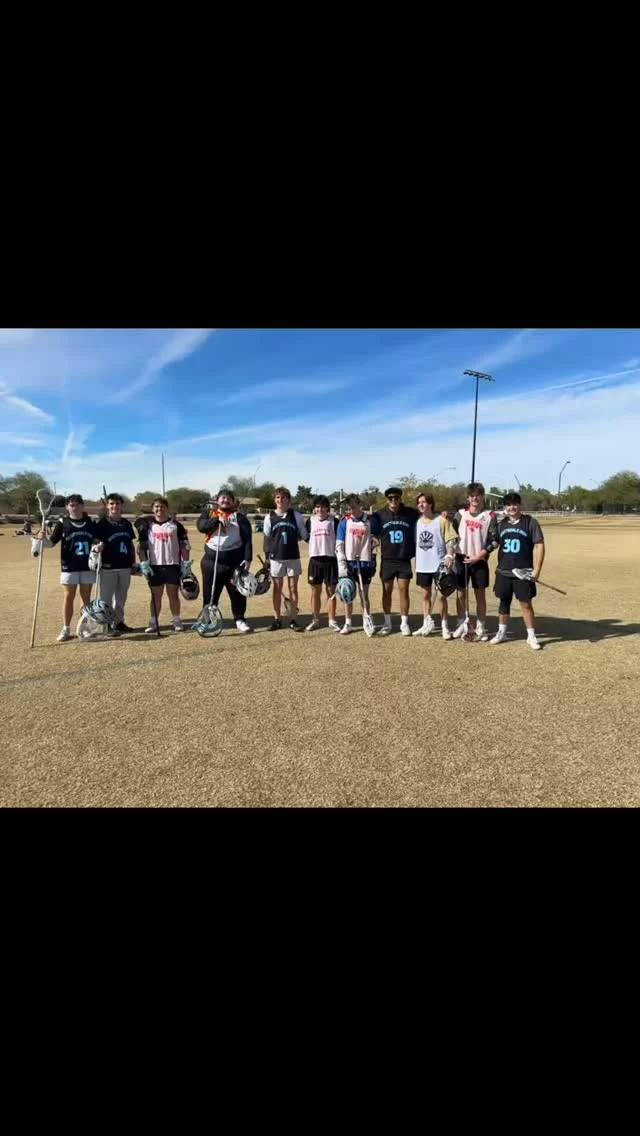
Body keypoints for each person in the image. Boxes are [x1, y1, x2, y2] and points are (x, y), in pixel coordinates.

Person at [485, 492, 545, 649]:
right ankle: (502, 632)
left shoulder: (530, 522)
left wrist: (536, 571)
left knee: (526, 604)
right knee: (503, 603)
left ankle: (531, 636)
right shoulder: (501, 524)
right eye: (508, 505)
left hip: (523, 573)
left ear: (520, 505)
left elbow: (539, 545)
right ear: (505, 507)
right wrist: (479, 555)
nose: (512, 507)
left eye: (515, 504)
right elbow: (493, 543)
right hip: (504, 572)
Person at [36, 494, 98, 642]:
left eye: (77, 505)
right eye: (71, 505)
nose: (74, 507)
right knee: (68, 597)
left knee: (86, 598)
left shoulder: (90, 522)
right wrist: (42, 538)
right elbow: (51, 544)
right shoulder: (63, 522)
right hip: (69, 566)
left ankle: (84, 628)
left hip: (87, 566)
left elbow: (96, 540)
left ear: (82, 506)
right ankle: (66, 628)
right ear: (67, 507)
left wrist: (99, 545)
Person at [196, 488, 253, 634]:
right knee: (210, 593)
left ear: (233, 501)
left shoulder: (240, 517)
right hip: (211, 563)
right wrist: (216, 521)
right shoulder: (208, 514)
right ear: (217, 500)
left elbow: (247, 539)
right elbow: (201, 527)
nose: (225, 500)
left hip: (234, 563)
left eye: (229, 498)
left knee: (237, 593)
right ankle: (208, 620)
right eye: (222, 498)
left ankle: (240, 619)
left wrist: (248, 559)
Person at [135, 498, 190, 633]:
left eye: (162, 507)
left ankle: (177, 620)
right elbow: (141, 548)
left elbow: (184, 545)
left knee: (173, 595)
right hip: (155, 567)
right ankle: (153, 621)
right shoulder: (147, 527)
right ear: (153, 509)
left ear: (167, 508)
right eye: (157, 507)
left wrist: (186, 563)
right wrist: (143, 563)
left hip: (173, 566)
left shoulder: (176, 525)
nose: (160, 509)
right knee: (155, 596)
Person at [372, 487, 420, 636]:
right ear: (387, 499)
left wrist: (442, 514)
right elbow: (368, 526)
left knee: (403, 590)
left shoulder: (410, 514)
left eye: (397, 498)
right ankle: (387, 623)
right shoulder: (379, 515)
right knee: (386, 591)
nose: (394, 500)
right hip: (387, 559)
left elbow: (427, 515)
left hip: (404, 558)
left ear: (400, 499)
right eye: (391, 498)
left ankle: (404, 622)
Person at [451, 483, 495, 641]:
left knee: (480, 595)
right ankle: (461, 623)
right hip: (461, 558)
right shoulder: (460, 514)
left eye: (478, 495)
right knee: (461, 593)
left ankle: (481, 626)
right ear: (468, 497)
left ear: (482, 496)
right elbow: (451, 535)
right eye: (472, 495)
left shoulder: (489, 515)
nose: (475, 498)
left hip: (479, 559)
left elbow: (494, 540)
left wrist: (481, 555)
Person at [263, 487, 308, 631]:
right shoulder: (269, 517)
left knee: (293, 588)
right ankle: (277, 619)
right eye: (277, 497)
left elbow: (303, 534)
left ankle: (293, 619)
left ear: (288, 499)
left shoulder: (296, 515)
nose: (280, 500)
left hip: (293, 556)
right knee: (277, 589)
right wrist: (267, 558)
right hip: (276, 558)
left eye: (283, 497)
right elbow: (267, 539)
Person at [413, 492, 457, 638]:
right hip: (422, 565)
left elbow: (451, 539)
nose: (421, 504)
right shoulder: (418, 522)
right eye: (419, 502)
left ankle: (444, 626)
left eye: (424, 502)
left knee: (441, 597)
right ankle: (427, 622)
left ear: (430, 504)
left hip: (439, 565)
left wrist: (449, 555)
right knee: (425, 595)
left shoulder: (441, 520)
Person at [92, 492, 136, 632]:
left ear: (121, 505)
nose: (114, 506)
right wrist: (98, 546)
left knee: (121, 597)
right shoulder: (102, 524)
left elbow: (130, 544)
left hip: (124, 566)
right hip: (108, 567)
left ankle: (118, 622)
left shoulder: (126, 524)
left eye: (117, 503)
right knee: (106, 598)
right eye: (111, 503)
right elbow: (95, 541)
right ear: (107, 506)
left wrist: (133, 563)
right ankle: (107, 625)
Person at [335, 494, 377, 635]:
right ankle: (348, 622)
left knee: (364, 594)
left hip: (365, 563)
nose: (351, 507)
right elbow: (339, 545)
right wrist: (342, 566)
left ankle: (367, 618)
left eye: (353, 504)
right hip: (349, 562)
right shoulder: (344, 522)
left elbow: (375, 539)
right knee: (348, 592)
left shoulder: (369, 521)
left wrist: (373, 552)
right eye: (348, 505)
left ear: (359, 504)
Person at [305, 495, 340, 632]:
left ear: (327, 508)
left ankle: (332, 620)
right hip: (315, 560)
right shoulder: (310, 521)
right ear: (315, 508)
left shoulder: (334, 521)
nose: (320, 509)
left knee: (331, 591)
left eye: (323, 506)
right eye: (317, 506)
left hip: (330, 559)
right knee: (315, 591)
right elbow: (307, 537)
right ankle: (315, 619)